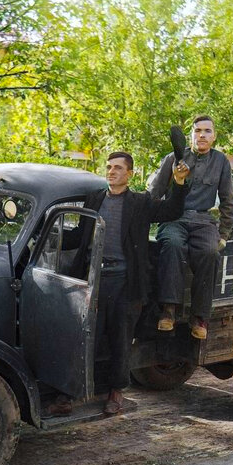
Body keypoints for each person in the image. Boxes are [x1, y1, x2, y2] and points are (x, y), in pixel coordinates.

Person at [48, 151, 190, 417]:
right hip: (92, 281)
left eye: (118, 168)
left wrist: (179, 183)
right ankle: (67, 395)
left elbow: (172, 210)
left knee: (120, 339)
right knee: (81, 337)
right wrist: (47, 237)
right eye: (109, 167)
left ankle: (116, 393)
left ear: (130, 174)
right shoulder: (95, 199)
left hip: (125, 282)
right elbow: (79, 235)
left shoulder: (140, 202)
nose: (111, 171)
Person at [148, 115, 233, 340]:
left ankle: (200, 317)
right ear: (191, 135)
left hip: (203, 221)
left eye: (207, 131)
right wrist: (139, 216)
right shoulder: (174, 158)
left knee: (210, 252)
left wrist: (224, 233)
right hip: (174, 217)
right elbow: (155, 191)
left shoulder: (221, 162)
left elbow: (228, 199)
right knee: (172, 244)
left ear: (214, 136)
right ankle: (169, 309)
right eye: (198, 130)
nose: (202, 135)